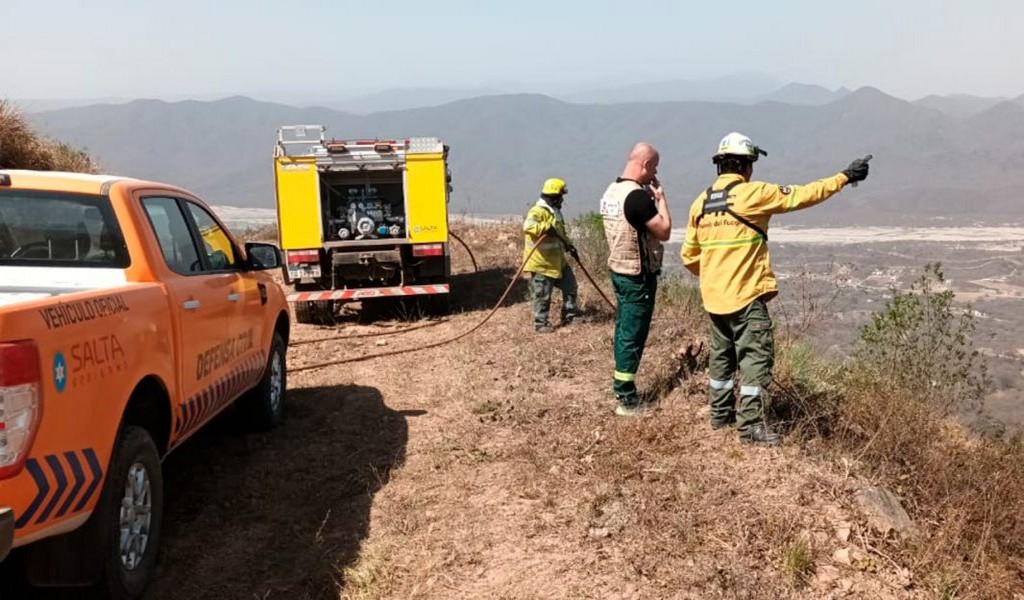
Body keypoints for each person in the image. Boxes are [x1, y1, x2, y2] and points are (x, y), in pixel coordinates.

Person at [682, 132, 870, 445]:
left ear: (719, 165)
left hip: (714, 298)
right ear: (745, 166)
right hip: (745, 296)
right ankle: (751, 426)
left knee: (722, 358)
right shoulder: (752, 194)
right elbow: (803, 195)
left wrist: (715, 273)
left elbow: (689, 255)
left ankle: (720, 416)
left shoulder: (700, 203)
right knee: (756, 358)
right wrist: (844, 176)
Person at [599, 143, 672, 416]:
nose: (654, 173)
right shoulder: (637, 198)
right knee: (633, 334)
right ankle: (627, 399)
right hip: (637, 277)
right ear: (645, 165)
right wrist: (661, 198)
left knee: (623, 330)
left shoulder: (611, 191)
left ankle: (622, 386)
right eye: (654, 168)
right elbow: (664, 230)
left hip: (618, 270)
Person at [522, 177, 579, 333]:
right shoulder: (537, 211)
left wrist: (569, 245)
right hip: (542, 263)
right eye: (561, 196)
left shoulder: (556, 211)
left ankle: (570, 316)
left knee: (571, 287)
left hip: (558, 261)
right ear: (554, 196)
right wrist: (545, 227)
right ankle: (541, 324)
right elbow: (528, 226)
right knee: (543, 295)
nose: (562, 199)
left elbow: (560, 233)